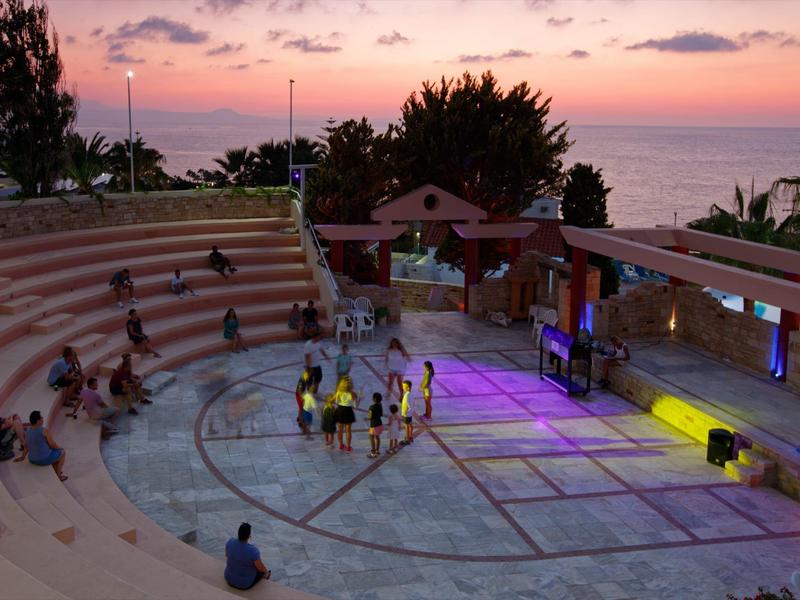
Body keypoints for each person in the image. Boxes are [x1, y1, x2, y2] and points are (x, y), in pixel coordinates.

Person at [224, 522, 270, 590]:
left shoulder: (230, 542)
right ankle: (267, 575)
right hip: (244, 584)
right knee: (261, 571)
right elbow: (260, 568)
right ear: (249, 536)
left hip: (228, 578)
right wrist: (266, 572)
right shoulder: (253, 551)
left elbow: (226, 555)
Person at [24, 410, 67, 481]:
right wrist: (60, 448)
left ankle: (56, 469)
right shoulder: (44, 430)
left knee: (52, 451)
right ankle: (59, 476)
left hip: (32, 459)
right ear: (38, 421)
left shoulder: (28, 430)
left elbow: (26, 445)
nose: (43, 418)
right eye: (41, 417)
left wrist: (23, 456)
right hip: (42, 459)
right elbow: (52, 444)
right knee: (62, 452)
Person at [334, 377, 358, 452]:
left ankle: (341, 445)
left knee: (340, 430)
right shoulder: (352, 394)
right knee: (348, 431)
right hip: (348, 411)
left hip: (340, 410)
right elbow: (355, 406)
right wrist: (358, 400)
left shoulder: (339, 392)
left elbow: (337, 402)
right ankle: (348, 447)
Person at [366, 392, 383, 459]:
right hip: (379, 423)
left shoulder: (371, 407)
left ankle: (373, 453)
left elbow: (370, 416)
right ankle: (377, 450)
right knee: (377, 437)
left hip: (373, 425)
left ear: (374, 399)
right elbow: (381, 414)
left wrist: (367, 418)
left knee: (371, 437)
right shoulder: (380, 405)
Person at [399, 380, 415, 446]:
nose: (403, 388)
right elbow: (413, 403)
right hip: (410, 413)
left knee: (407, 426)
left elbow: (409, 405)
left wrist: (405, 412)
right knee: (410, 425)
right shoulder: (410, 394)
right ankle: (410, 437)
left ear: (408, 387)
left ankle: (407, 439)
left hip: (407, 414)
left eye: (404, 386)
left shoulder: (407, 395)